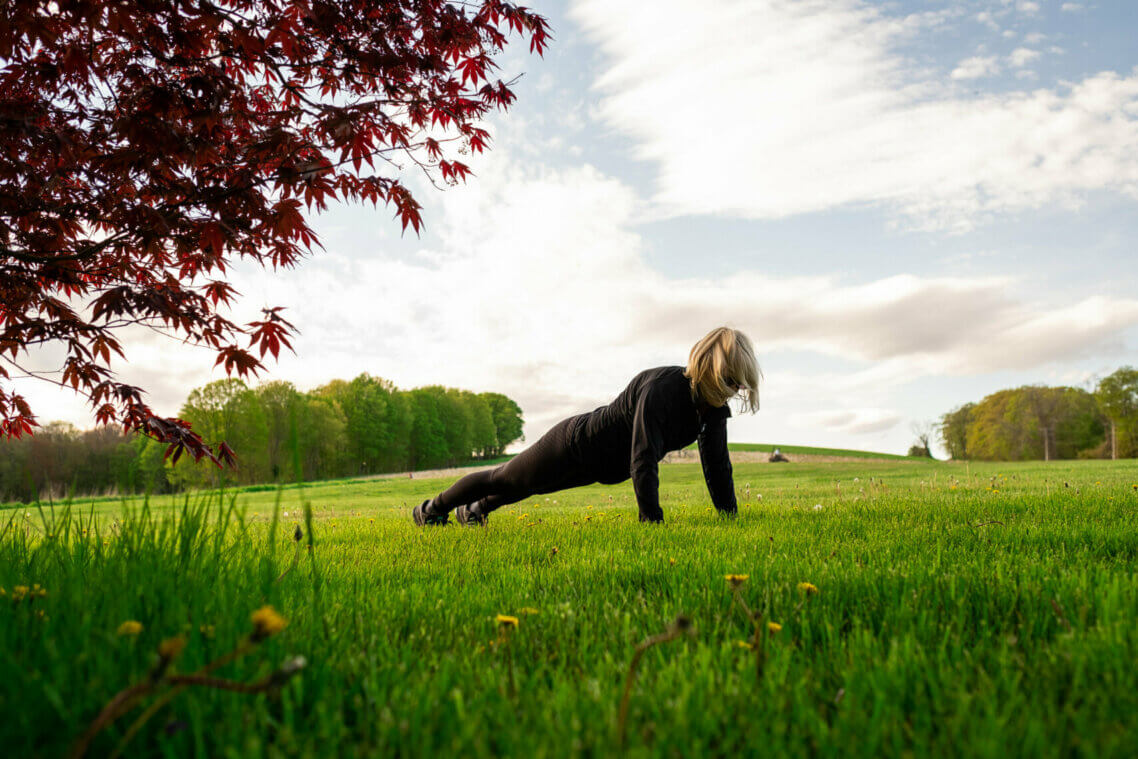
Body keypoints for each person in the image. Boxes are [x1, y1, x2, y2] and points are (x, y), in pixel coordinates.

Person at [412, 326, 761, 526]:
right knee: (504, 477)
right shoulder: (662, 390)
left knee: (531, 487)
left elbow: (717, 465)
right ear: (713, 370)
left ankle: (473, 511)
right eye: (733, 382)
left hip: (604, 467)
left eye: (741, 386)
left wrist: (730, 518)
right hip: (575, 444)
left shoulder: (713, 409)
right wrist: (652, 521)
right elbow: (643, 459)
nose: (736, 392)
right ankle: (431, 510)